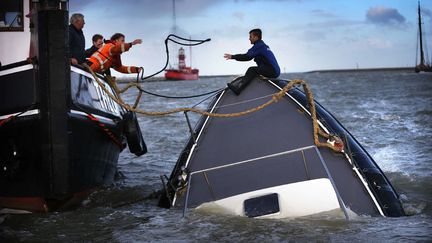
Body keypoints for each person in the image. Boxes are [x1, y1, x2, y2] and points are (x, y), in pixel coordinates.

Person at [224, 28, 280, 95]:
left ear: (256, 37)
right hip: (275, 71)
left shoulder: (259, 46)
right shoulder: (262, 45)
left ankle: (238, 88)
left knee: (252, 70)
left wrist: (232, 56)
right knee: (255, 70)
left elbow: (247, 57)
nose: (249, 38)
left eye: (250, 36)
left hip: (272, 71)